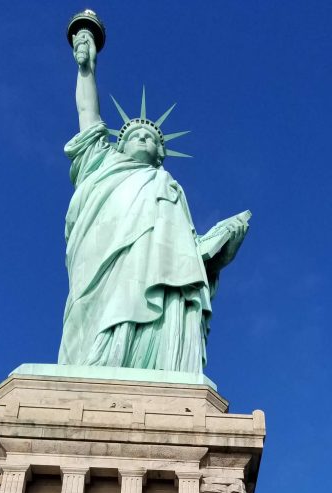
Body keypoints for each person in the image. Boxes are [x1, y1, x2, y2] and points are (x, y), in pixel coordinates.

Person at [59, 25, 250, 373]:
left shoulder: (168, 186)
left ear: (161, 153)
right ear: (119, 144)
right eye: (135, 135)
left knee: (160, 294)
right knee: (100, 312)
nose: (144, 139)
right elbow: (87, 114)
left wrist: (219, 247)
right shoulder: (101, 162)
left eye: (151, 138)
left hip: (156, 270)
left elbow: (186, 253)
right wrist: (86, 69)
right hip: (103, 261)